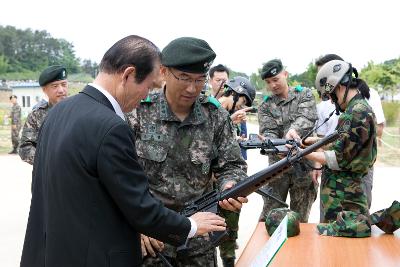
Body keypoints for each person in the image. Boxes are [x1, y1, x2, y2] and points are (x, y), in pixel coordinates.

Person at [20, 35, 229, 267]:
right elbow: (139, 208)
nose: (144, 97)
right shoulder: (111, 127)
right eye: (148, 86)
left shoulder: (60, 112)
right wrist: (192, 225)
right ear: (128, 75)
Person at [126, 37, 248, 267]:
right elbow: (118, 177)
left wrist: (230, 185)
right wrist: (136, 225)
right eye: (184, 78)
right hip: (152, 240)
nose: (192, 88)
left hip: (199, 241)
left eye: (200, 79)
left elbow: (232, 165)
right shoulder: (138, 112)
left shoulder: (215, 115)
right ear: (163, 72)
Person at [307, 59, 377, 237]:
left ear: (338, 86)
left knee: (342, 252)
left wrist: (303, 154)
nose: (331, 101)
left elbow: (339, 157)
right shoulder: (355, 110)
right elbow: (344, 144)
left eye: (331, 95)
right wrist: (312, 141)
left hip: (346, 198)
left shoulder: (358, 112)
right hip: (342, 194)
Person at [257, 59, 318, 223]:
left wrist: (293, 131)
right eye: (268, 82)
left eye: (275, 79)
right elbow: (268, 131)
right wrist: (275, 144)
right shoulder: (265, 106)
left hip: (303, 168)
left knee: (300, 221)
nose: (273, 85)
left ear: (285, 74)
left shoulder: (304, 94)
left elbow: (307, 118)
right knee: (270, 219)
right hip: (277, 170)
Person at [216, 76, 255, 267]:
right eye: (242, 102)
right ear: (234, 93)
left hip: (227, 183)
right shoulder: (209, 110)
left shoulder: (235, 118)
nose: (242, 107)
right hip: (205, 186)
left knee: (229, 231)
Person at [18, 65, 68, 164]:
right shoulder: (36, 115)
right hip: (46, 174)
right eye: (55, 86)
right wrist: (47, 161)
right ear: (44, 90)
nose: (61, 90)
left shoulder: (79, 110)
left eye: (64, 84)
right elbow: (25, 148)